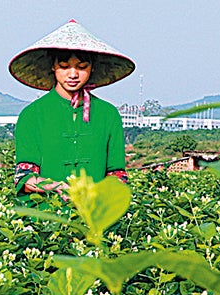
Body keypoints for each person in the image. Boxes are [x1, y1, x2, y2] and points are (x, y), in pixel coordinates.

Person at [8, 21, 134, 199]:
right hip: (45, 217)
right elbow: (23, 177)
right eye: (64, 66)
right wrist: (55, 186)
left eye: (82, 67)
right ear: (53, 66)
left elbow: (117, 174)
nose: (73, 74)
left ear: (92, 68)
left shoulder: (108, 114)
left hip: (95, 215)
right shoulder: (32, 115)